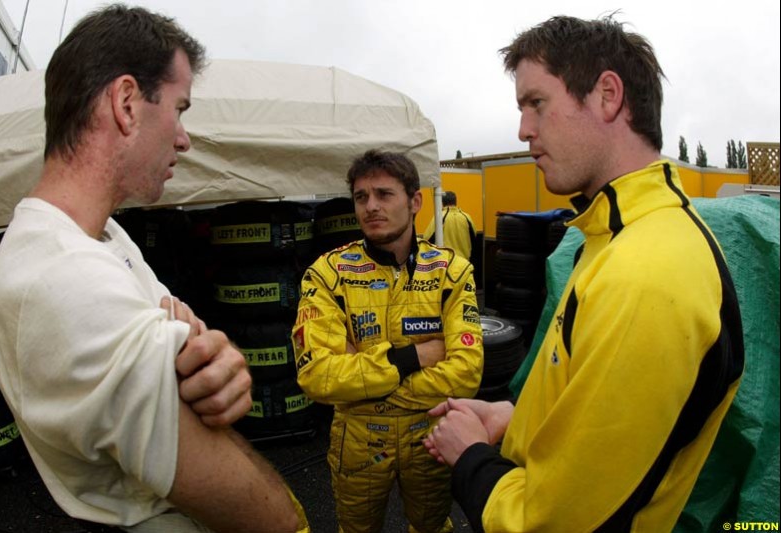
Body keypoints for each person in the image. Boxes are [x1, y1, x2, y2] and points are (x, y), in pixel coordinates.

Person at [0, 5, 306, 533]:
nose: (183, 137)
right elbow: (259, 514)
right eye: (179, 109)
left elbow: (192, 343)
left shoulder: (104, 238)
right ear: (128, 104)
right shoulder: (62, 275)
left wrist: (219, 363)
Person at [424, 15, 744, 533]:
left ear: (607, 95)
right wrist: (511, 421)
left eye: (536, 103)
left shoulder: (646, 274)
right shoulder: (614, 237)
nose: (523, 129)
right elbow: (581, 400)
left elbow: (556, 523)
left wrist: (471, 458)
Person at [292, 150, 484, 533]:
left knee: (432, 527)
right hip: (357, 441)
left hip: (429, 435)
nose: (371, 207)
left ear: (415, 202)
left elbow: (467, 374)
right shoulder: (328, 274)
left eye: (384, 194)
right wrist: (415, 356)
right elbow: (317, 376)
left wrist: (360, 378)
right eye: (361, 197)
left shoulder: (451, 271)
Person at [423, 191, 477, 262]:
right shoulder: (467, 217)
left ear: (442, 202)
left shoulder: (439, 217)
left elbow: (427, 238)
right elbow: (474, 238)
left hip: (446, 264)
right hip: (464, 264)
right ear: (455, 201)